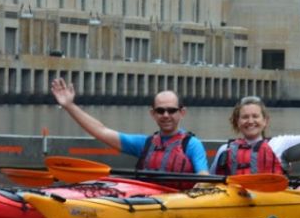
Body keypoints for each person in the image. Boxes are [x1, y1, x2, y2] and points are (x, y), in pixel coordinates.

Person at [49, 78, 208, 185]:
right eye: (160, 111)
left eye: (171, 110)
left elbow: (204, 178)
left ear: (182, 113)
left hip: (179, 202)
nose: (166, 115)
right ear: (153, 114)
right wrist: (69, 106)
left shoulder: (192, 145)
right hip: (146, 199)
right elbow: (101, 131)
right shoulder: (144, 144)